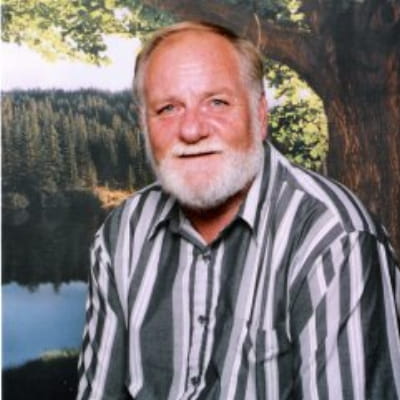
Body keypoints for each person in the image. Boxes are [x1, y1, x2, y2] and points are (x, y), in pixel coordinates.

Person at [76, 21, 400, 399]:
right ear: (144, 127)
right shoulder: (123, 232)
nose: (192, 130)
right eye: (168, 108)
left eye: (217, 102)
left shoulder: (334, 237)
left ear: (260, 115)